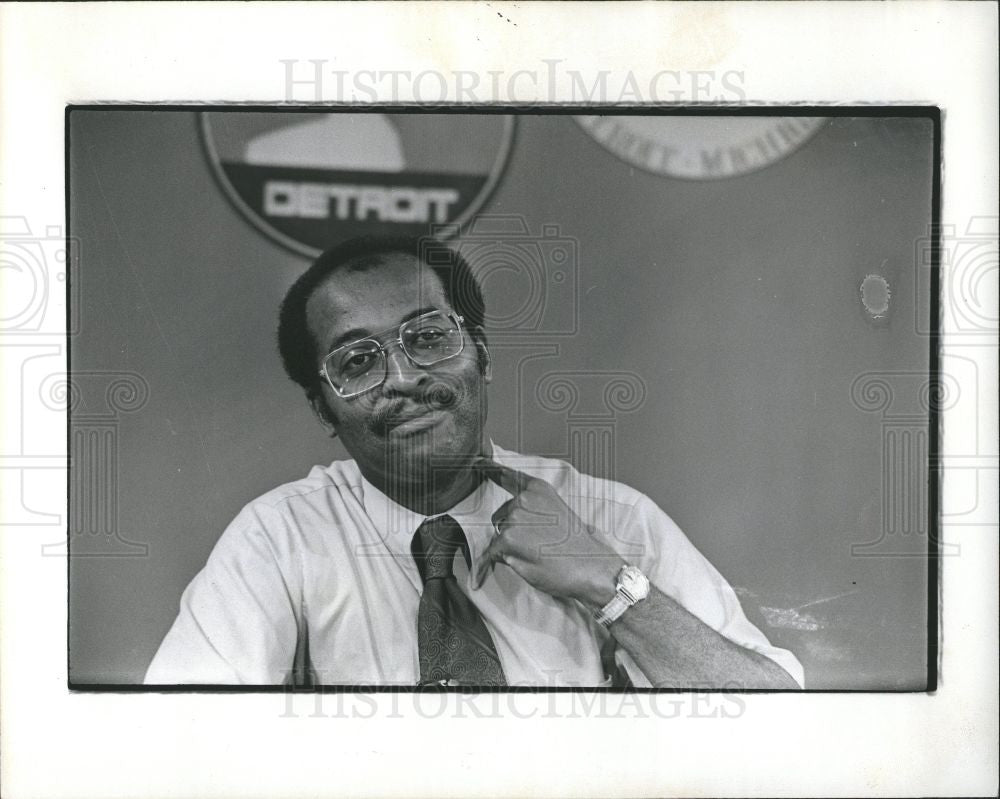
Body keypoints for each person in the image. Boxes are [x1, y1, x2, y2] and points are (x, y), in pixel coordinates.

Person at [145, 235, 803, 689]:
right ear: (324, 410)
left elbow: (782, 724)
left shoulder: (610, 517)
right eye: (357, 361)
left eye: (429, 337)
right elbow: (176, 744)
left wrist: (609, 583)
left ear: (481, 355)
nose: (402, 378)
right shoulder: (277, 541)